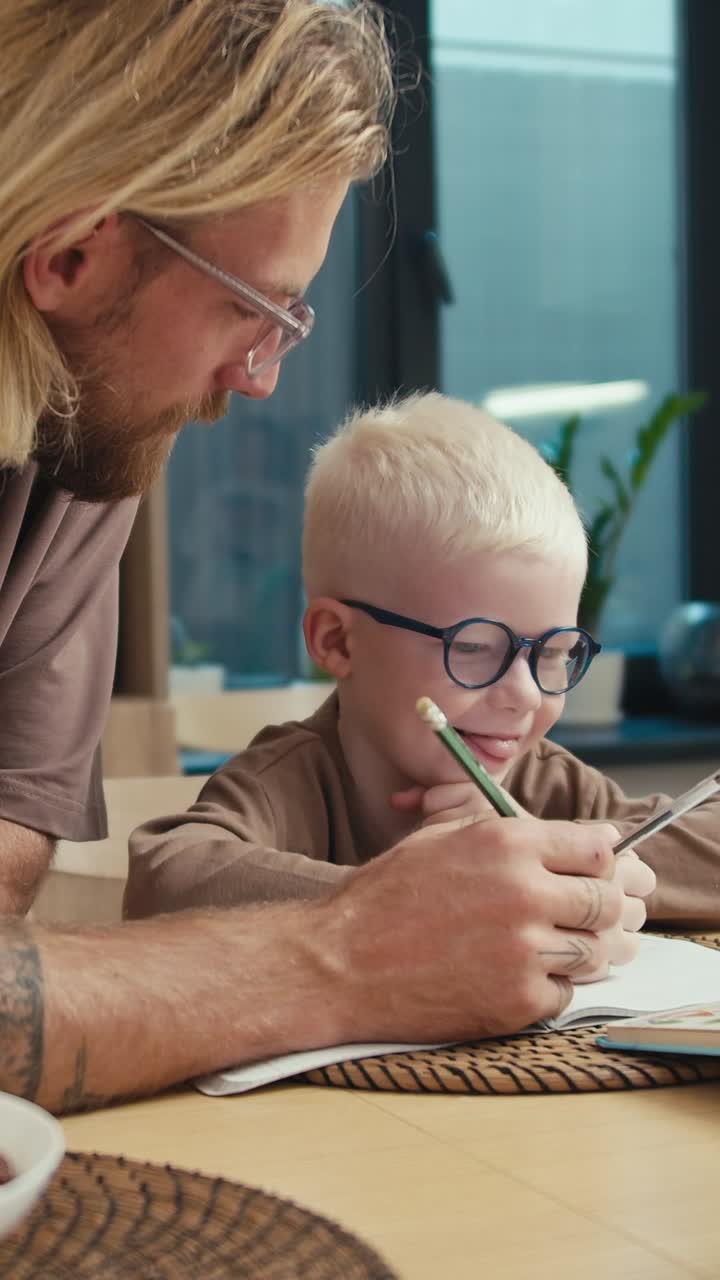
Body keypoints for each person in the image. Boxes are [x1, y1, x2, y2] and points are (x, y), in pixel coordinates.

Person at [0, 0, 626, 1116]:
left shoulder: (82, 451)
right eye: (257, 311)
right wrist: (352, 950)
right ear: (72, 253)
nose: (261, 380)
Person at [132, 391, 699, 969]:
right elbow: (166, 878)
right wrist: (429, 897)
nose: (526, 694)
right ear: (338, 641)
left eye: (554, 653)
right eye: (475, 648)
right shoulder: (293, 780)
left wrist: (561, 863)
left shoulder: (542, 782)